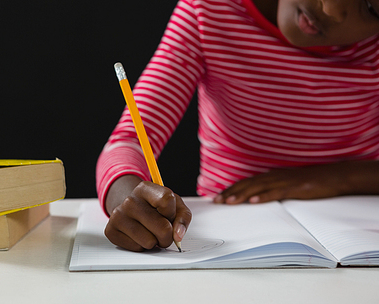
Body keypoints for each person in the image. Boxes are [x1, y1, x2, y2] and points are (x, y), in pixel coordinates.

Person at [96, 0, 379, 252]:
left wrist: (338, 178)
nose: (331, 8)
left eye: (370, 7)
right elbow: (128, 141)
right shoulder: (208, 11)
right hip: (228, 239)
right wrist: (128, 199)